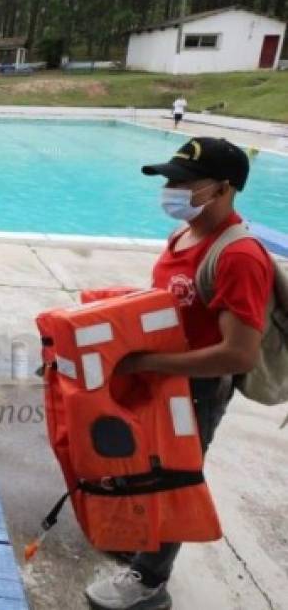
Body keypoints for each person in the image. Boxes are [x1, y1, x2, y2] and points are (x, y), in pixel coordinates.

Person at [85, 137, 274, 610]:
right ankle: (140, 543)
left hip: (198, 390)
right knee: (144, 467)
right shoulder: (187, 234)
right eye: (170, 179)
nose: (171, 189)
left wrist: (147, 363)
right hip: (166, 380)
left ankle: (150, 582)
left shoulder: (239, 257)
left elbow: (237, 355)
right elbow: (176, 301)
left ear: (224, 188)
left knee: (173, 477)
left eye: (184, 181)